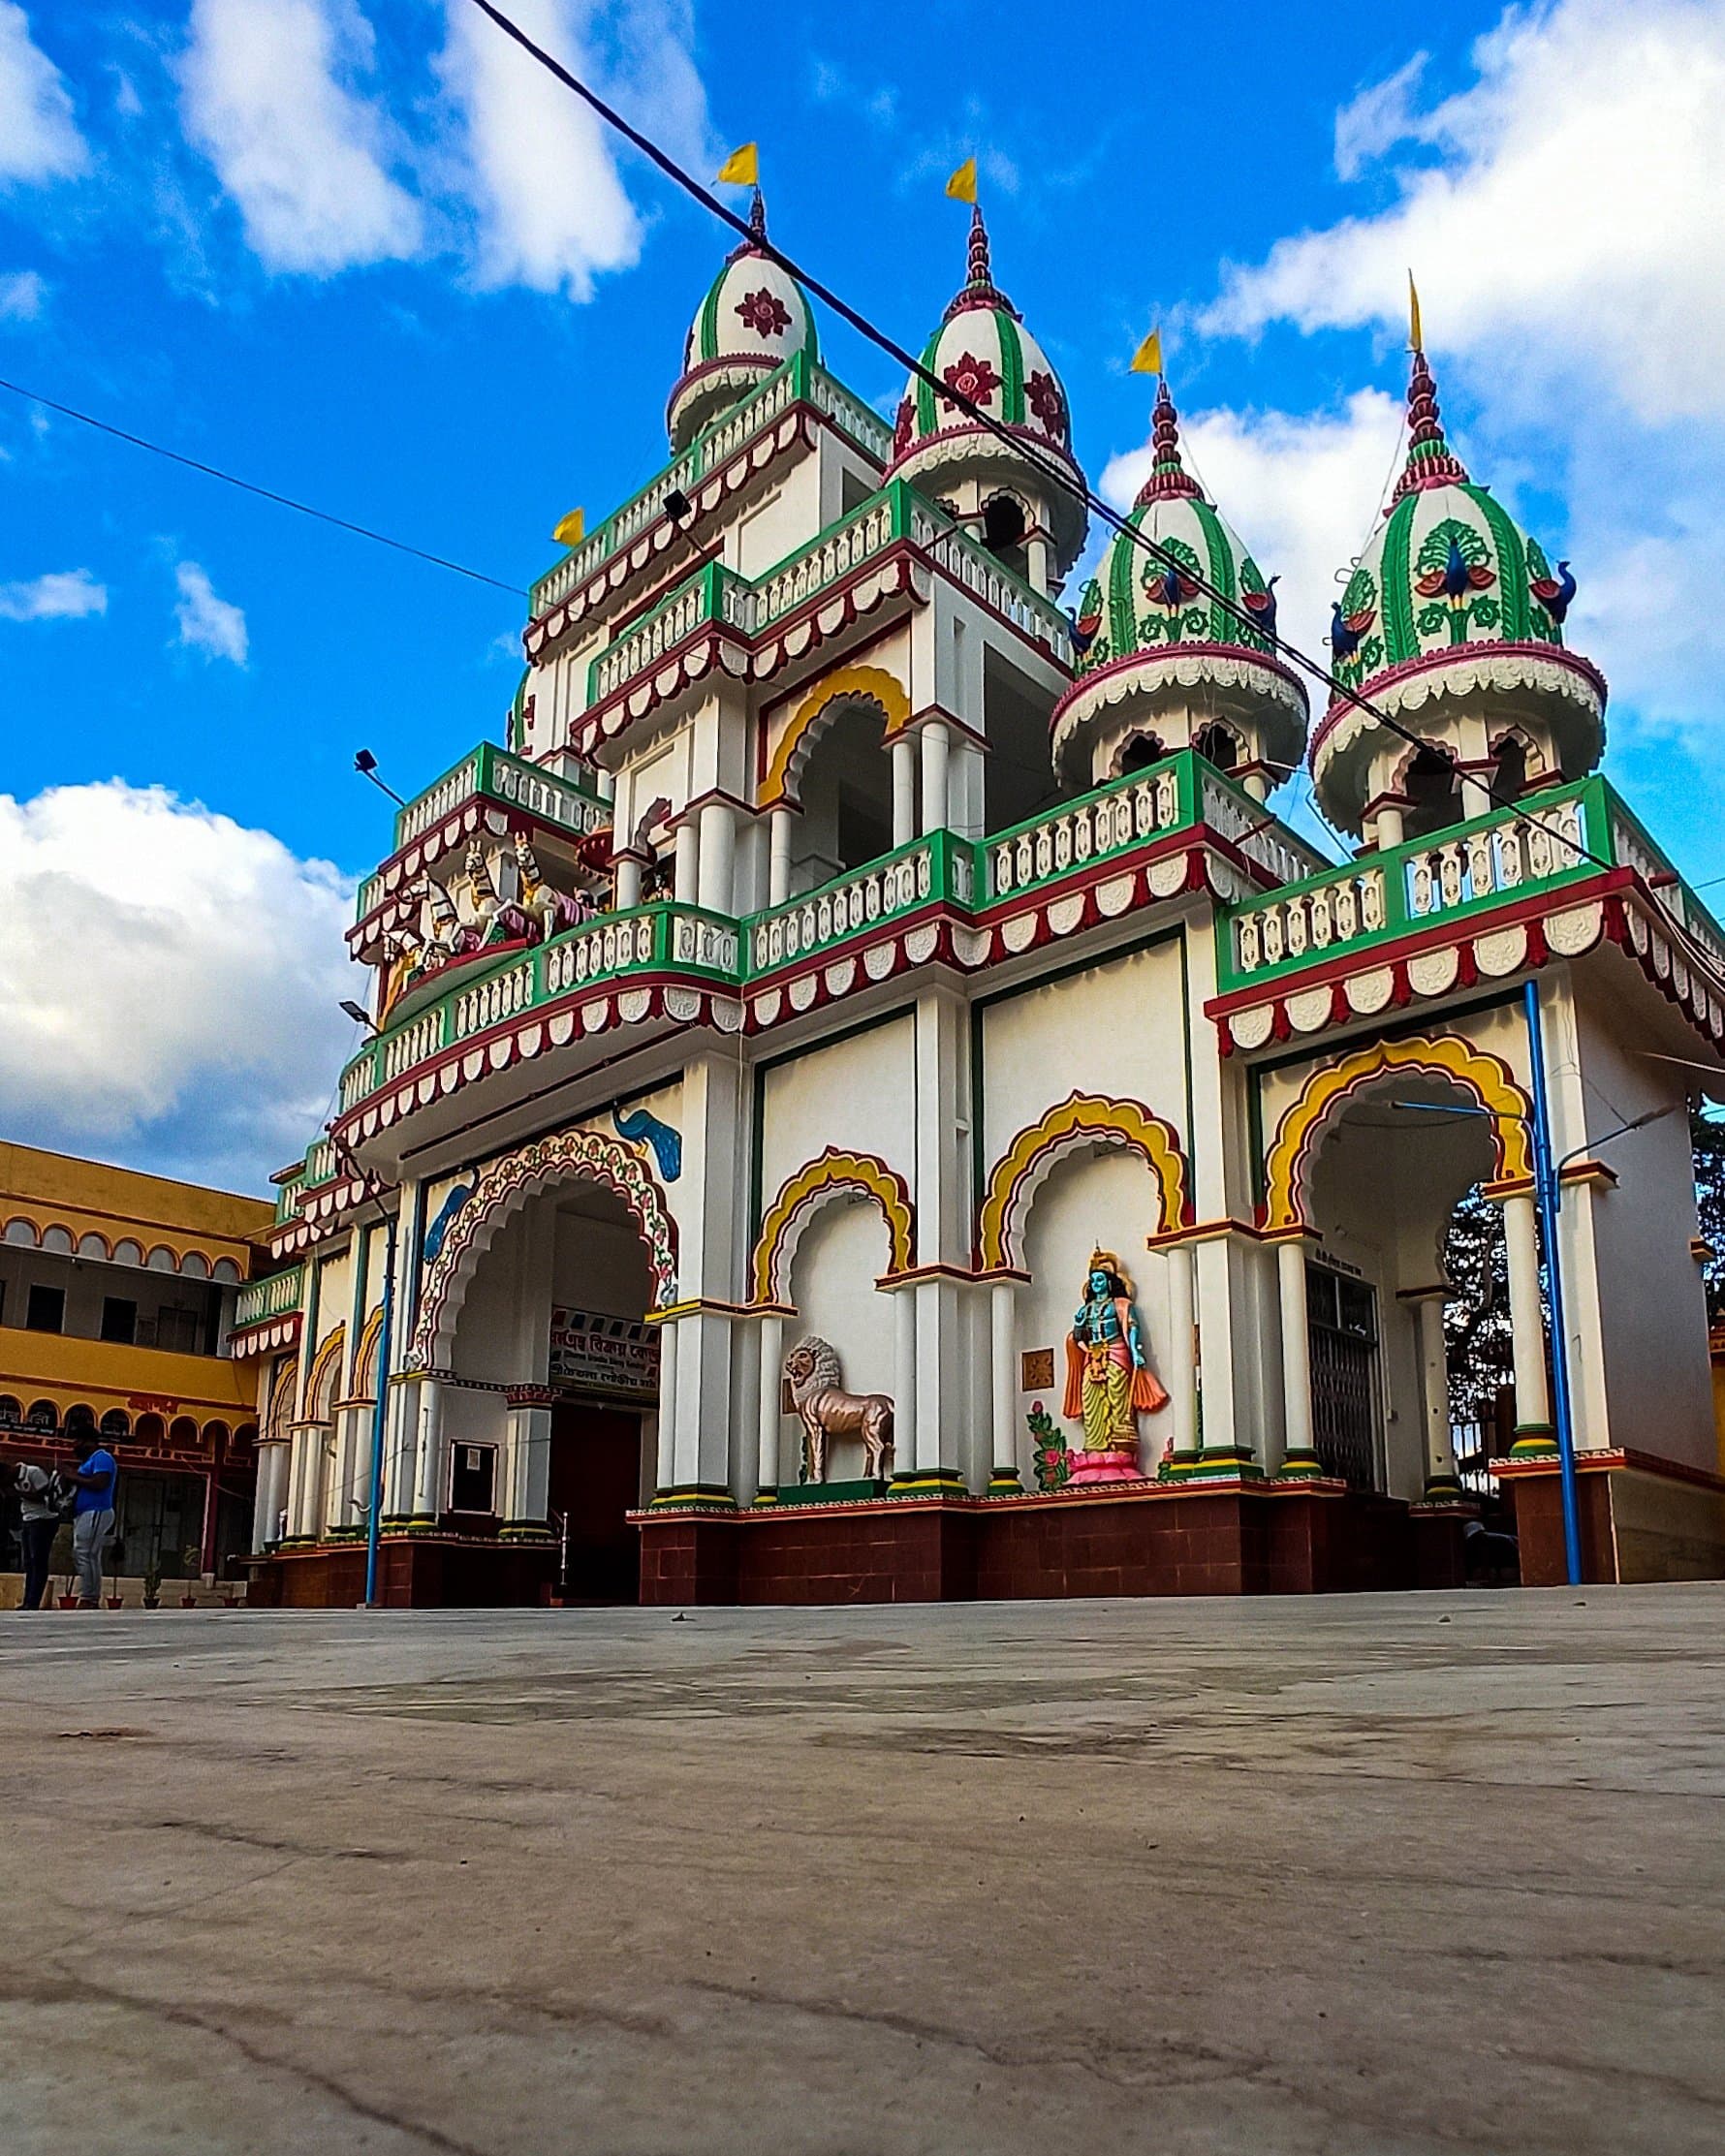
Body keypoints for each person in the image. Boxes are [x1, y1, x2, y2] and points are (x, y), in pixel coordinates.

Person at [63, 1431, 117, 1609]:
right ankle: (90, 1596)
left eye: (77, 1440)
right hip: (85, 1512)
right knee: (89, 1555)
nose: (75, 1446)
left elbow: (99, 1483)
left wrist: (73, 1476)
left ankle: (89, 1597)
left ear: (90, 1442)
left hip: (96, 1510)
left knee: (84, 1553)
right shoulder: (87, 1462)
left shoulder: (102, 1458)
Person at [4, 1460, 63, 1610]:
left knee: (38, 1561)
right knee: (28, 1562)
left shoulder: (33, 1472)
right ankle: (28, 1601)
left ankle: (34, 1601)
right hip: (27, 1518)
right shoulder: (14, 1481)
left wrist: (17, 1493)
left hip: (43, 1519)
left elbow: (45, 1496)